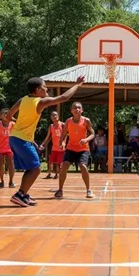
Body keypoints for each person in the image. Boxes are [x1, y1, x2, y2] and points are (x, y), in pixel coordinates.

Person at [8, 77, 85, 206]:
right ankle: (19, 194)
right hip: (22, 139)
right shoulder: (40, 102)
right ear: (38, 90)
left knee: (31, 168)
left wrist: (20, 124)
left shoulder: (23, 100)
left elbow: (9, 115)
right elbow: (64, 97)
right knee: (36, 169)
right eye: (45, 87)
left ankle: (24, 194)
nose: (47, 89)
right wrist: (77, 84)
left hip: (14, 137)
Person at [56, 102, 95, 198]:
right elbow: (64, 133)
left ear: (82, 110)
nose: (77, 109)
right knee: (64, 166)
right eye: (74, 108)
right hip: (71, 148)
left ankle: (88, 190)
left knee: (83, 166)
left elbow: (93, 133)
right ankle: (60, 190)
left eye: (79, 108)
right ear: (71, 110)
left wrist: (86, 139)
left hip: (83, 148)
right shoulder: (68, 121)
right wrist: (61, 143)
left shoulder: (86, 121)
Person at [40, 110, 64, 179]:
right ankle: (49, 173)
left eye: (55, 115)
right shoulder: (51, 126)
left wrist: (63, 143)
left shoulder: (62, 124)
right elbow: (48, 137)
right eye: (52, 115)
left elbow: (66, 134)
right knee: (50, 161)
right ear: (51, 117)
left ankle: (57, 174)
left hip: (61, 146)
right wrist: (43, 144)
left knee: (58, 162)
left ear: (58, 116)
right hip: (54, 146)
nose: (54, 117)